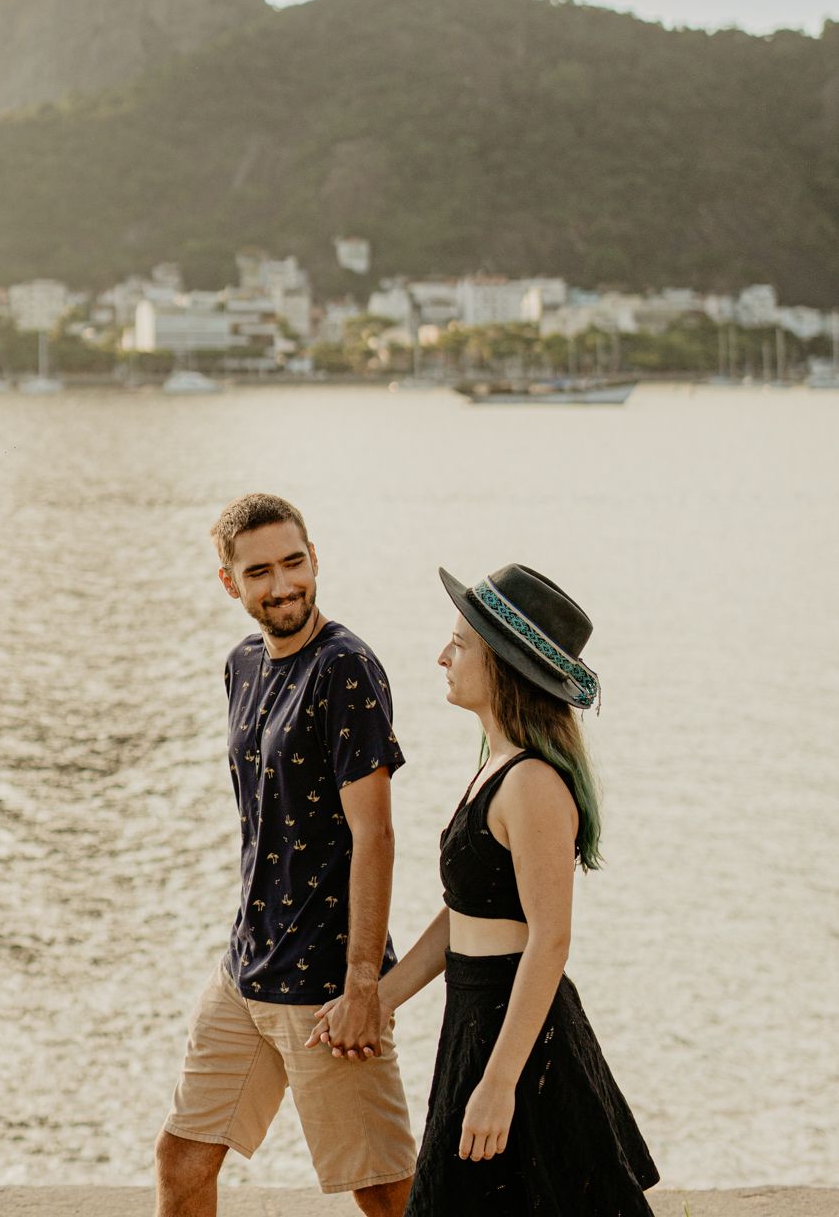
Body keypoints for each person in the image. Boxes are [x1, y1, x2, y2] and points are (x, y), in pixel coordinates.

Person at [311, 564, 658, 1214]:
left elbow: (549, 941)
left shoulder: (531, 784)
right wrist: (380, 999)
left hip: (519, 1036)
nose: (441, 656)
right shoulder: (494, 767)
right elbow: (464, 914)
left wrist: (498, 1082)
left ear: (501, 665)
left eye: (459, 644)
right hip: (476, 1019)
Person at [154, 492, 415, 1216]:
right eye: (259, 571)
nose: (282, 586)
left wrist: (363, 984)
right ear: (229, 582)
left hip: (324, 985)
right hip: (245, 971)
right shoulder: (240, 665)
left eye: (294, 563)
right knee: (182, 1158)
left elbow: (375, 835)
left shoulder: (346, 667)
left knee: (384, 1191)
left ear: (314, 561)